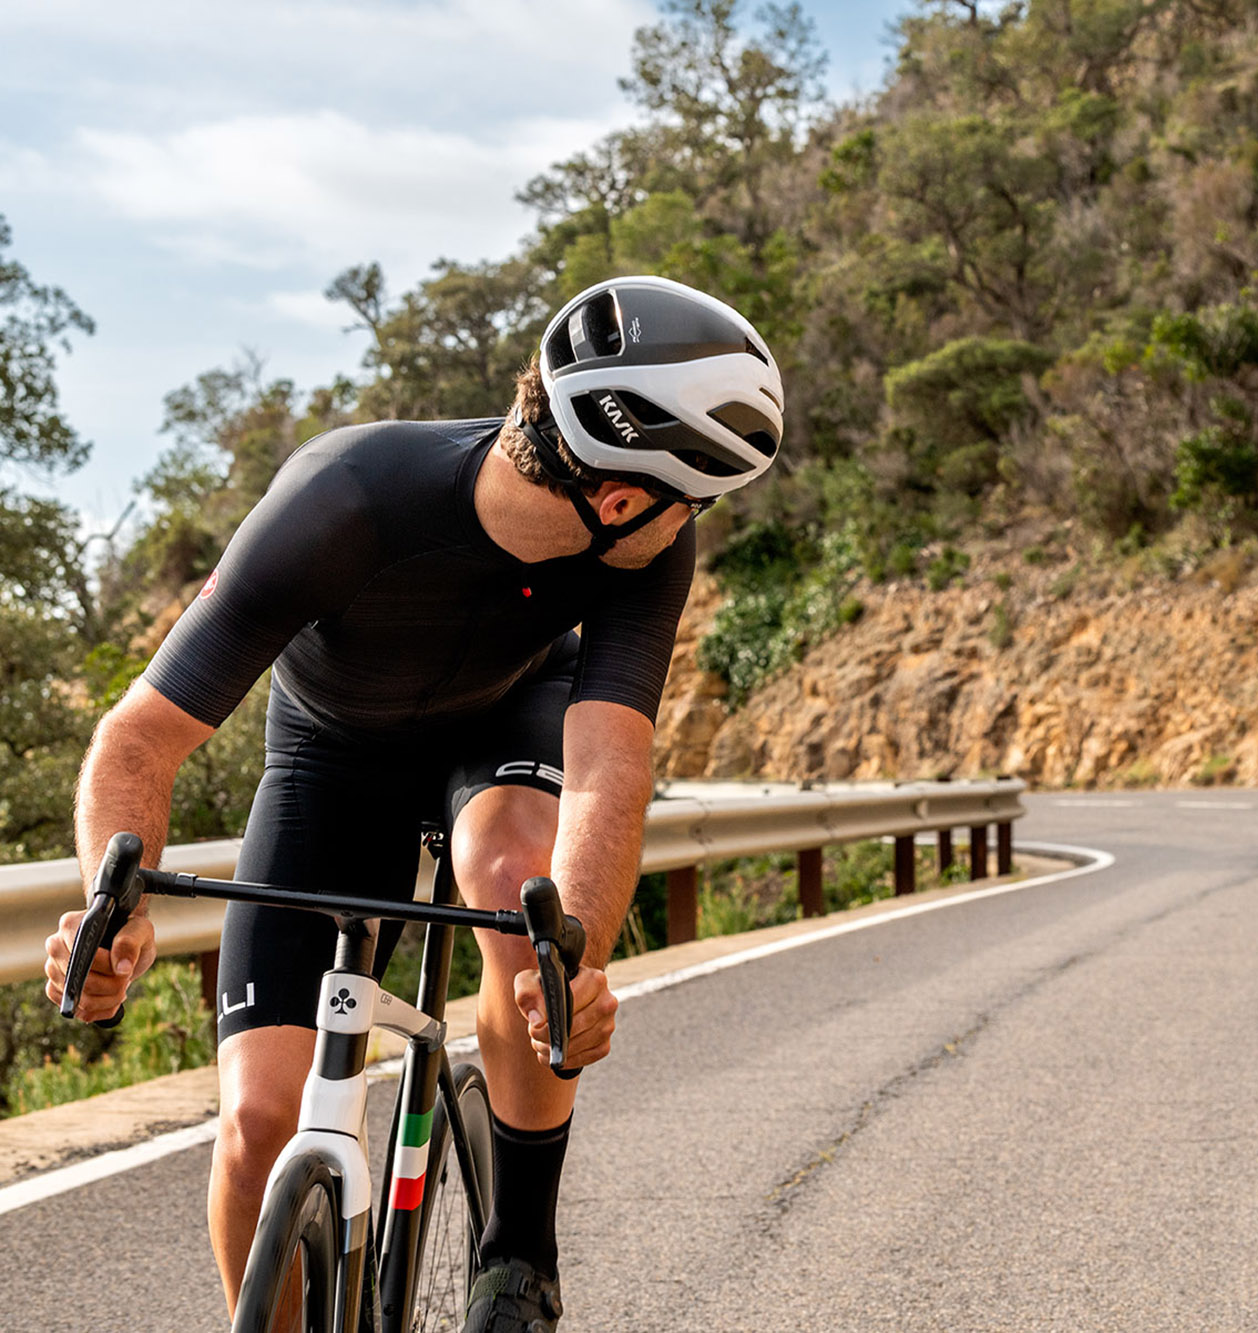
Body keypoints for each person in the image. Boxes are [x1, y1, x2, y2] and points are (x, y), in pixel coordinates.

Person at [41, 275, 783, 1331]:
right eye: (692, 502)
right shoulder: (347, 495)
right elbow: (140, 735)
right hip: (330, 756)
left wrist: (573, 963)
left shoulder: (643, 555)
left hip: (507, 721)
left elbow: (610, 760)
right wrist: (113, 911)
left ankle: (517, 1251)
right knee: (256, 1123)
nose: (687, 526)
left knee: (518, 887)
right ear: (621, 498)